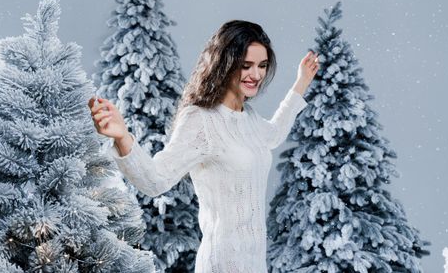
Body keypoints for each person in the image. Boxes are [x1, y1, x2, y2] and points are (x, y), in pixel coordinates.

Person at [88, 20, 319, 273]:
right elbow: (155, 181)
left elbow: (273, 135)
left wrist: (301, 83)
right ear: (225, 63)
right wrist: (122, 137)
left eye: (262, 66)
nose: (256, 75)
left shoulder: (249, 118)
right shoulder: (201, 120)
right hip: (220, 264)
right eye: (246, 66)